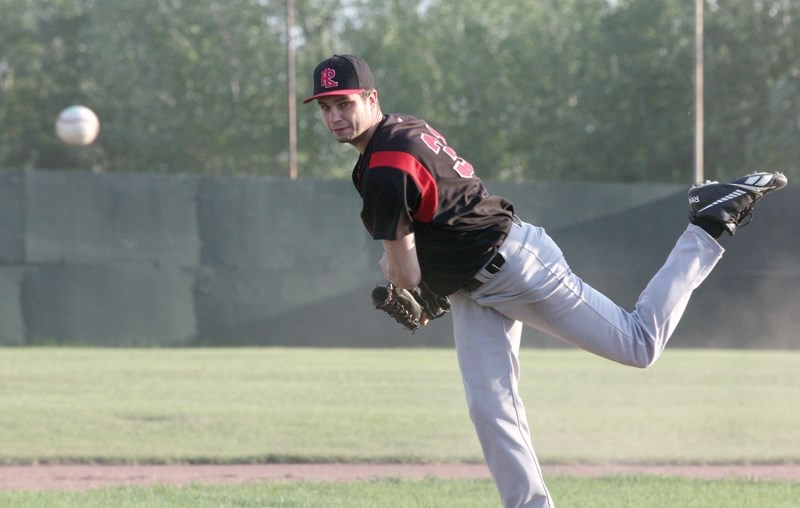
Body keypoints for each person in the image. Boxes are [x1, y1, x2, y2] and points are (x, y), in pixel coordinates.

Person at [303, 54, 787, 508]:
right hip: (474, 285)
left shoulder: (386, 166)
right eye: (326, 107)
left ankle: (707, 223)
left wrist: (397, 277)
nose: (334, 116)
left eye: (344, 103)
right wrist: (432, 286)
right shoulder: (401, 130)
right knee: (491, 409)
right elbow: (443, 220)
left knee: (639, 344)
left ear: (371, 98)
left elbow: (404, 271)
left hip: (515, 266)